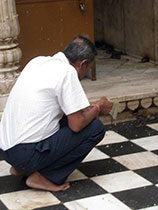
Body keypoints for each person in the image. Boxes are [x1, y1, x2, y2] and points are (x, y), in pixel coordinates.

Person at [0, 35, 113, 192]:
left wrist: (91, 109)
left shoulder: (37, 61)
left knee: (66, 118)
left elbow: (71, 113)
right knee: (95, 128)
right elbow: (77, 124)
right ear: (83, 64)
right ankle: (45, 177)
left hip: (6, 151)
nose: (86, 73)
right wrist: (98, 107)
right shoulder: (67, 72)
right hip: (25, 154)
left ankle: (23, 168)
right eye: (88, 68)